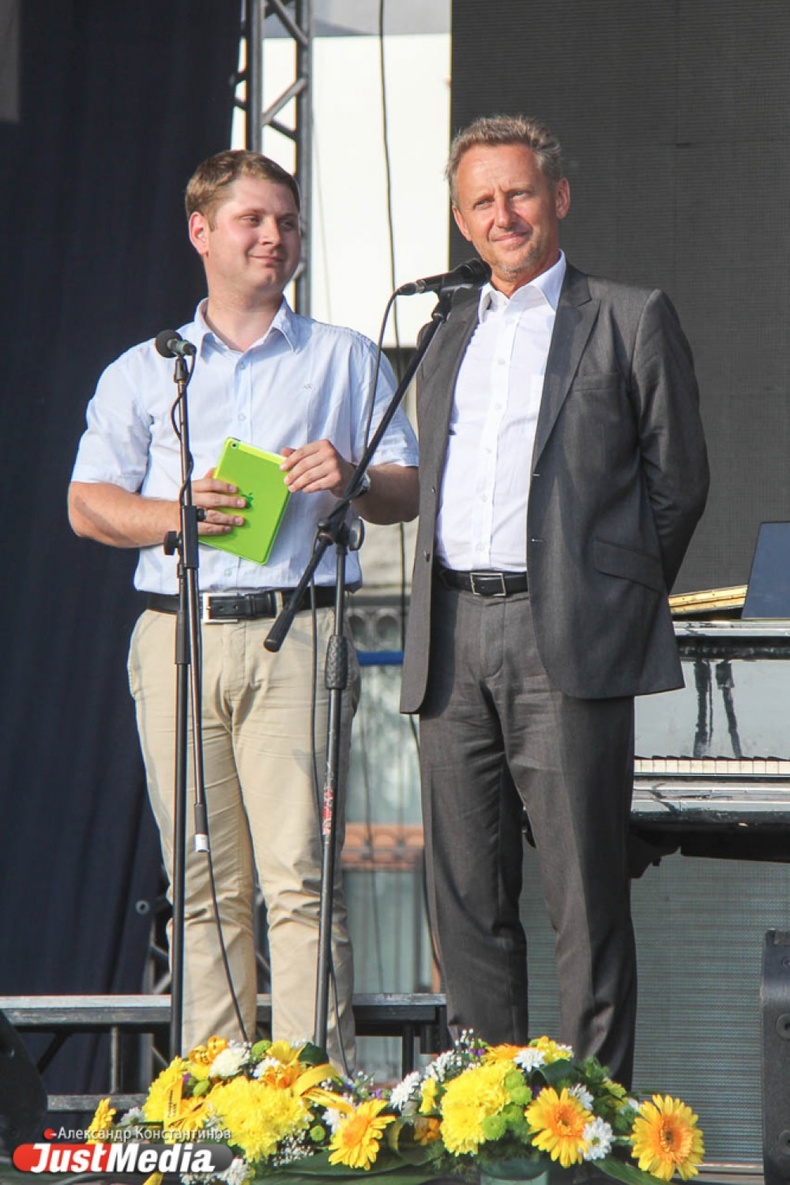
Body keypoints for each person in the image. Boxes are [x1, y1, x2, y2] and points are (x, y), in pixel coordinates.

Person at [69, 149, 419, 1069]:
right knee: (201, 882)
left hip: (295, 631)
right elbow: (87, 503)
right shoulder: (148, 370)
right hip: (176, 635)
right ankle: (218, 1095)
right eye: (252, 220)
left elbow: (408, 488)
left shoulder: (344, 357)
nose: (275, 237)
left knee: (299, 879)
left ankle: (310, 1097)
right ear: (201, 232)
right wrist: (176, 512)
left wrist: (354, 475)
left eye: (287, 222)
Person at [400, 115, 708, 1087]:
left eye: (520, 193)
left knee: (584, 897)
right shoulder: (444, 332)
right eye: (482, 202)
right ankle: (484, 1112)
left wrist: (606, 597)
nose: (504, 215)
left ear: (558, 198)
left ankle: (589, 1119)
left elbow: (677, 484)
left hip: (564, 632)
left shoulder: (627, 315)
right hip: (450, 633)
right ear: (462, 220)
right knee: (466, 897)